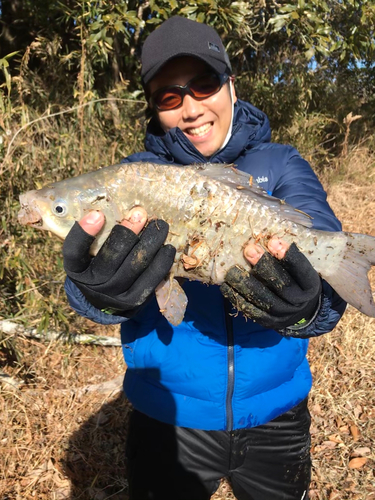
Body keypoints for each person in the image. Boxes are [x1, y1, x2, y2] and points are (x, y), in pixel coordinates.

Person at [62, 16, 347, 500]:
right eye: (170, 96)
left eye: (204, 84)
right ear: (154, 109)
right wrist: (96, 294)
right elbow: (87, 282)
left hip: (277, 414)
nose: (191, 108)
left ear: (230, 85)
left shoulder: (281, 164)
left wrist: (309, 309)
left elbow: (328, 263)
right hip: (169, 417)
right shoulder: (131, 179)